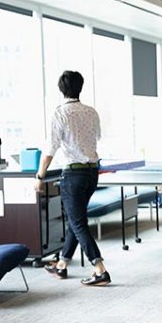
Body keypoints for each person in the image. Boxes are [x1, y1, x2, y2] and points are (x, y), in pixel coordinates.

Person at [34, 70, 110, 286]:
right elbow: (96, 138)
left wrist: (40, 176)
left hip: (73, 175)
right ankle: (62, 264)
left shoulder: (60, 113)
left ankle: (100, 269)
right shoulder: (91, 112)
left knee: (77, 222)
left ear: (61, 89)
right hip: (91, 173)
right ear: (80, 87)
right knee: (77, 221)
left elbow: (51, 148)